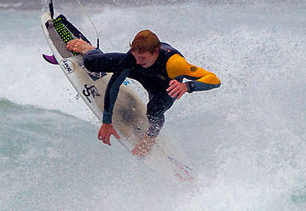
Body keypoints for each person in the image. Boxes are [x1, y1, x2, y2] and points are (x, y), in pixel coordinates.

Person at [66, 29, 220, 157]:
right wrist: (107, 122)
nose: (138, 61)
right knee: (91, 63)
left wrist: (187, 86)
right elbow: (114, 85)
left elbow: (214, 80)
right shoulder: (134, 58)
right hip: (141, 74)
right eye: (136, 56)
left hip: (164, 86)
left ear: (155, 52)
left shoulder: (175, 64)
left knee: (154, 109)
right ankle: (90, 49)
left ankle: (150, 138)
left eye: (143, 58)